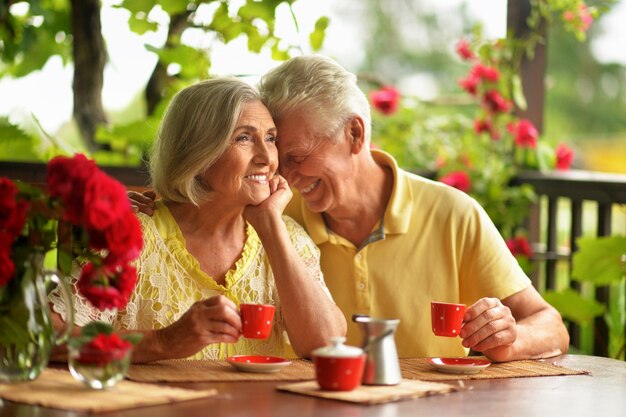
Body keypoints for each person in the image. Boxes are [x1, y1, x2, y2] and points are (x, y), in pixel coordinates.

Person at [131, 56, 569, 362]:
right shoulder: (277, 215)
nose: (283, 170)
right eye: (274, 149)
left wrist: (510, 338)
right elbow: (205, 197)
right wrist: (146, 202)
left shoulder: (452, 213)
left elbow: (550, 325)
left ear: (355, 135)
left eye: (296, 154)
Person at [51, 78, 346, 363]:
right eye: (243, 137)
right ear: (198, 154)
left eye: (270, 138)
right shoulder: (134, 237)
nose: (266, 157)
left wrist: (271, 226)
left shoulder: (289, 238)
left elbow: (324, 345)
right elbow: (47, 337)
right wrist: (162, 342)